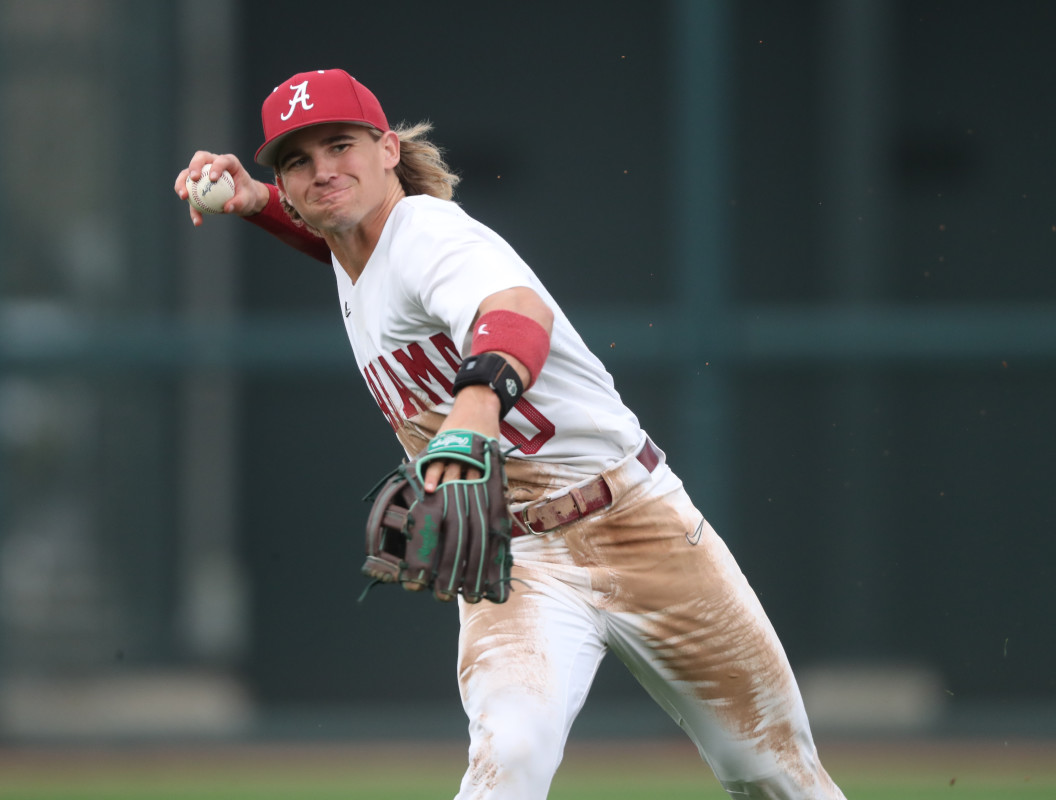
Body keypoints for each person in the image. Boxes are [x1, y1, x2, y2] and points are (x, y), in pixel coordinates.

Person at [175, 68, 845, 800]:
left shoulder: (430, 231)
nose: (323, 171)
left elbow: (516, 306)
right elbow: (347, 249)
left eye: (340, 146)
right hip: (521, 559)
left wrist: (476, 406)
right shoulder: (355, 243)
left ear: (388, 149)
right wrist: (257, 203)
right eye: (298, 161)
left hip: (638, 525)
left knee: (775, 774)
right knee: (509, 760)